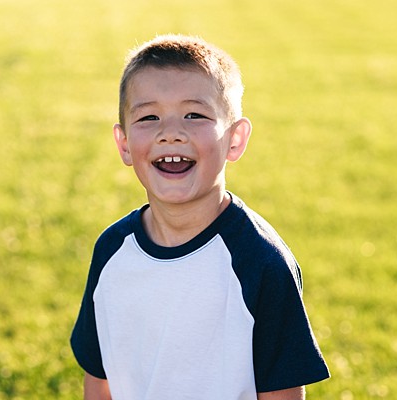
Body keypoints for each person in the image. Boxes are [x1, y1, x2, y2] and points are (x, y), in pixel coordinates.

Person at [69, 35, 330, 400]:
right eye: (148, 117)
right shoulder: (112, 251)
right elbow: (99, 379)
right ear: (124, 144)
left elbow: (282, 394)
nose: (171, 133)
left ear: (235, 139)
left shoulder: (259, 262)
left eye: (195, 115)